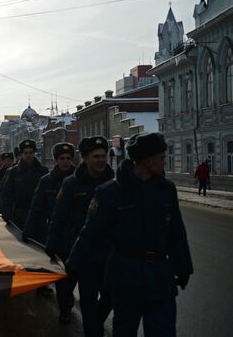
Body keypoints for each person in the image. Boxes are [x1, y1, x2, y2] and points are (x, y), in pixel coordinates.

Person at [67, 132, 193, 337]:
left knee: (164, 331)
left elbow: (176, 232)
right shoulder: (109, 193)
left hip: (160, 277)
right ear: (147, 160)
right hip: (126, 277)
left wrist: (183, 267)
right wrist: (73, 265)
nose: (164, 162)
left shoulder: (166, 189)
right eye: (161, 158)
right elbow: (91, 234)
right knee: (125, 331)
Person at [46, 136, 114, 333]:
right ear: (85, 158)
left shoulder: (114, 182)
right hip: (83, 251)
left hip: (110, 251)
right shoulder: (70, 184)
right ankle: (91, 327)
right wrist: (52, 244)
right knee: (88, 298)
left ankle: (95, 322)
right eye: (96, 156)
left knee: (111, 295)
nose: (101, 160)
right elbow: (58, 217)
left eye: (104, 156)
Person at [23, 142, 76, 245]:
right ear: (56, 160)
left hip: (74, 232)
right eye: (62, 158)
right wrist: (28, 231)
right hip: (52, 231)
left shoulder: (80, 180)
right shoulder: (46, 181)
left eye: (68, 158)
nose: (65, 161)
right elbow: (36, 208)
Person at [0, 139, 49, 229]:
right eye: (25, 153)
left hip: (39, 216)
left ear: (34, 153)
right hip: (19, 216)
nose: (28, 155)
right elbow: (6, 194)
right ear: (21, 154)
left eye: (30, 152)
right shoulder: (13, 172)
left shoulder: (43, 171)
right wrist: (6, 215)